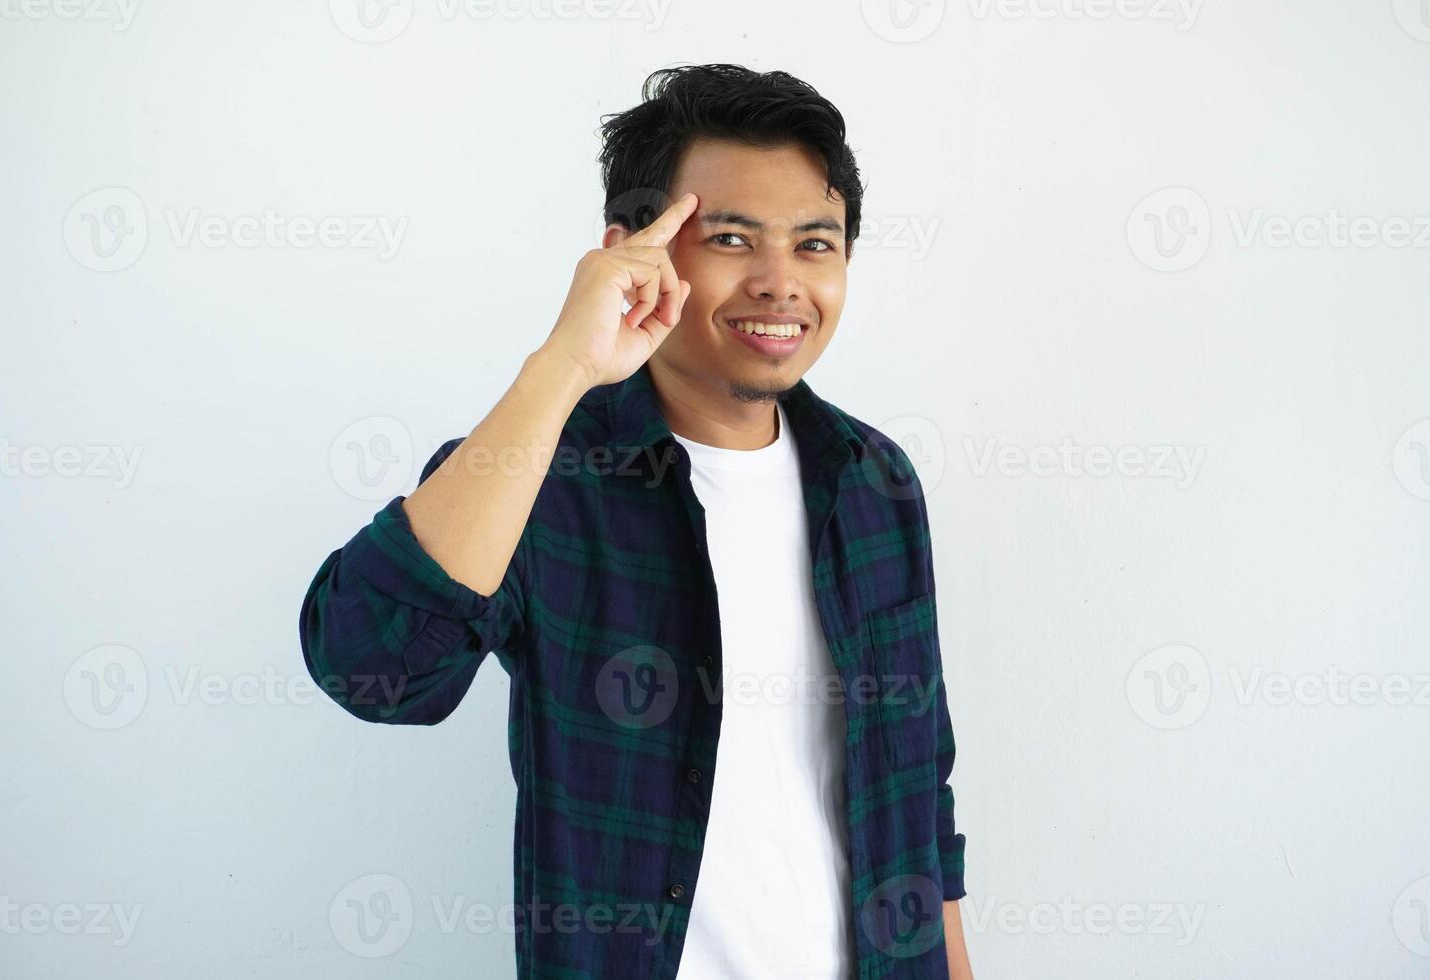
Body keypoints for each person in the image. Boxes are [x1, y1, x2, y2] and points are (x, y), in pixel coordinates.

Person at [300, 63, 973, 980]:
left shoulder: (876, 482)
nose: (781, 284)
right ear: (634, 253)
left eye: (816, 244)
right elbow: (373, 668)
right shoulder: (542, 474)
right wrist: (564, 365)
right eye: (731, 238)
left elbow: (917, 788)